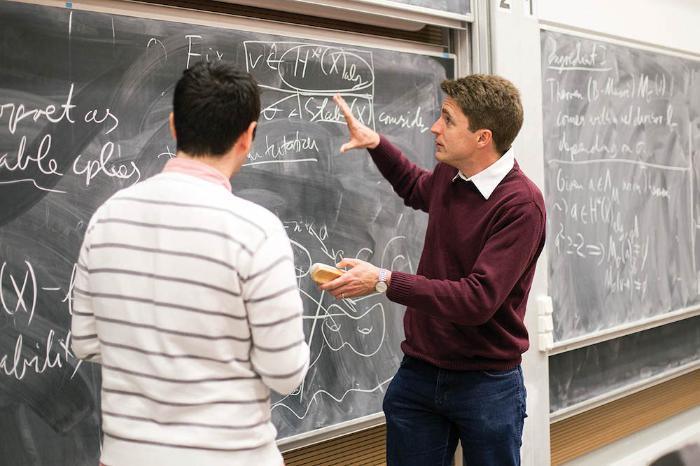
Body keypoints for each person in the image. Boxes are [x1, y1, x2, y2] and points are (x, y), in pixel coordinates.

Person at [71, 61, 309, 466]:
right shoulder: (257, 231)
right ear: (248, 136)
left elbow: (86, 341)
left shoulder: (106, 218)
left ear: (173, 126)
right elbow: (285, 373)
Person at [323, 75, 546, 466]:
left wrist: (384, 280)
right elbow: (416, 187)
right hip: (421, 371)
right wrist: (376, 144)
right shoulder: (452, 174)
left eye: (448, 119)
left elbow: (477, 300)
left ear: (482, 137)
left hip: (486, 383)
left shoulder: (521, 205)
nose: (434, 127)